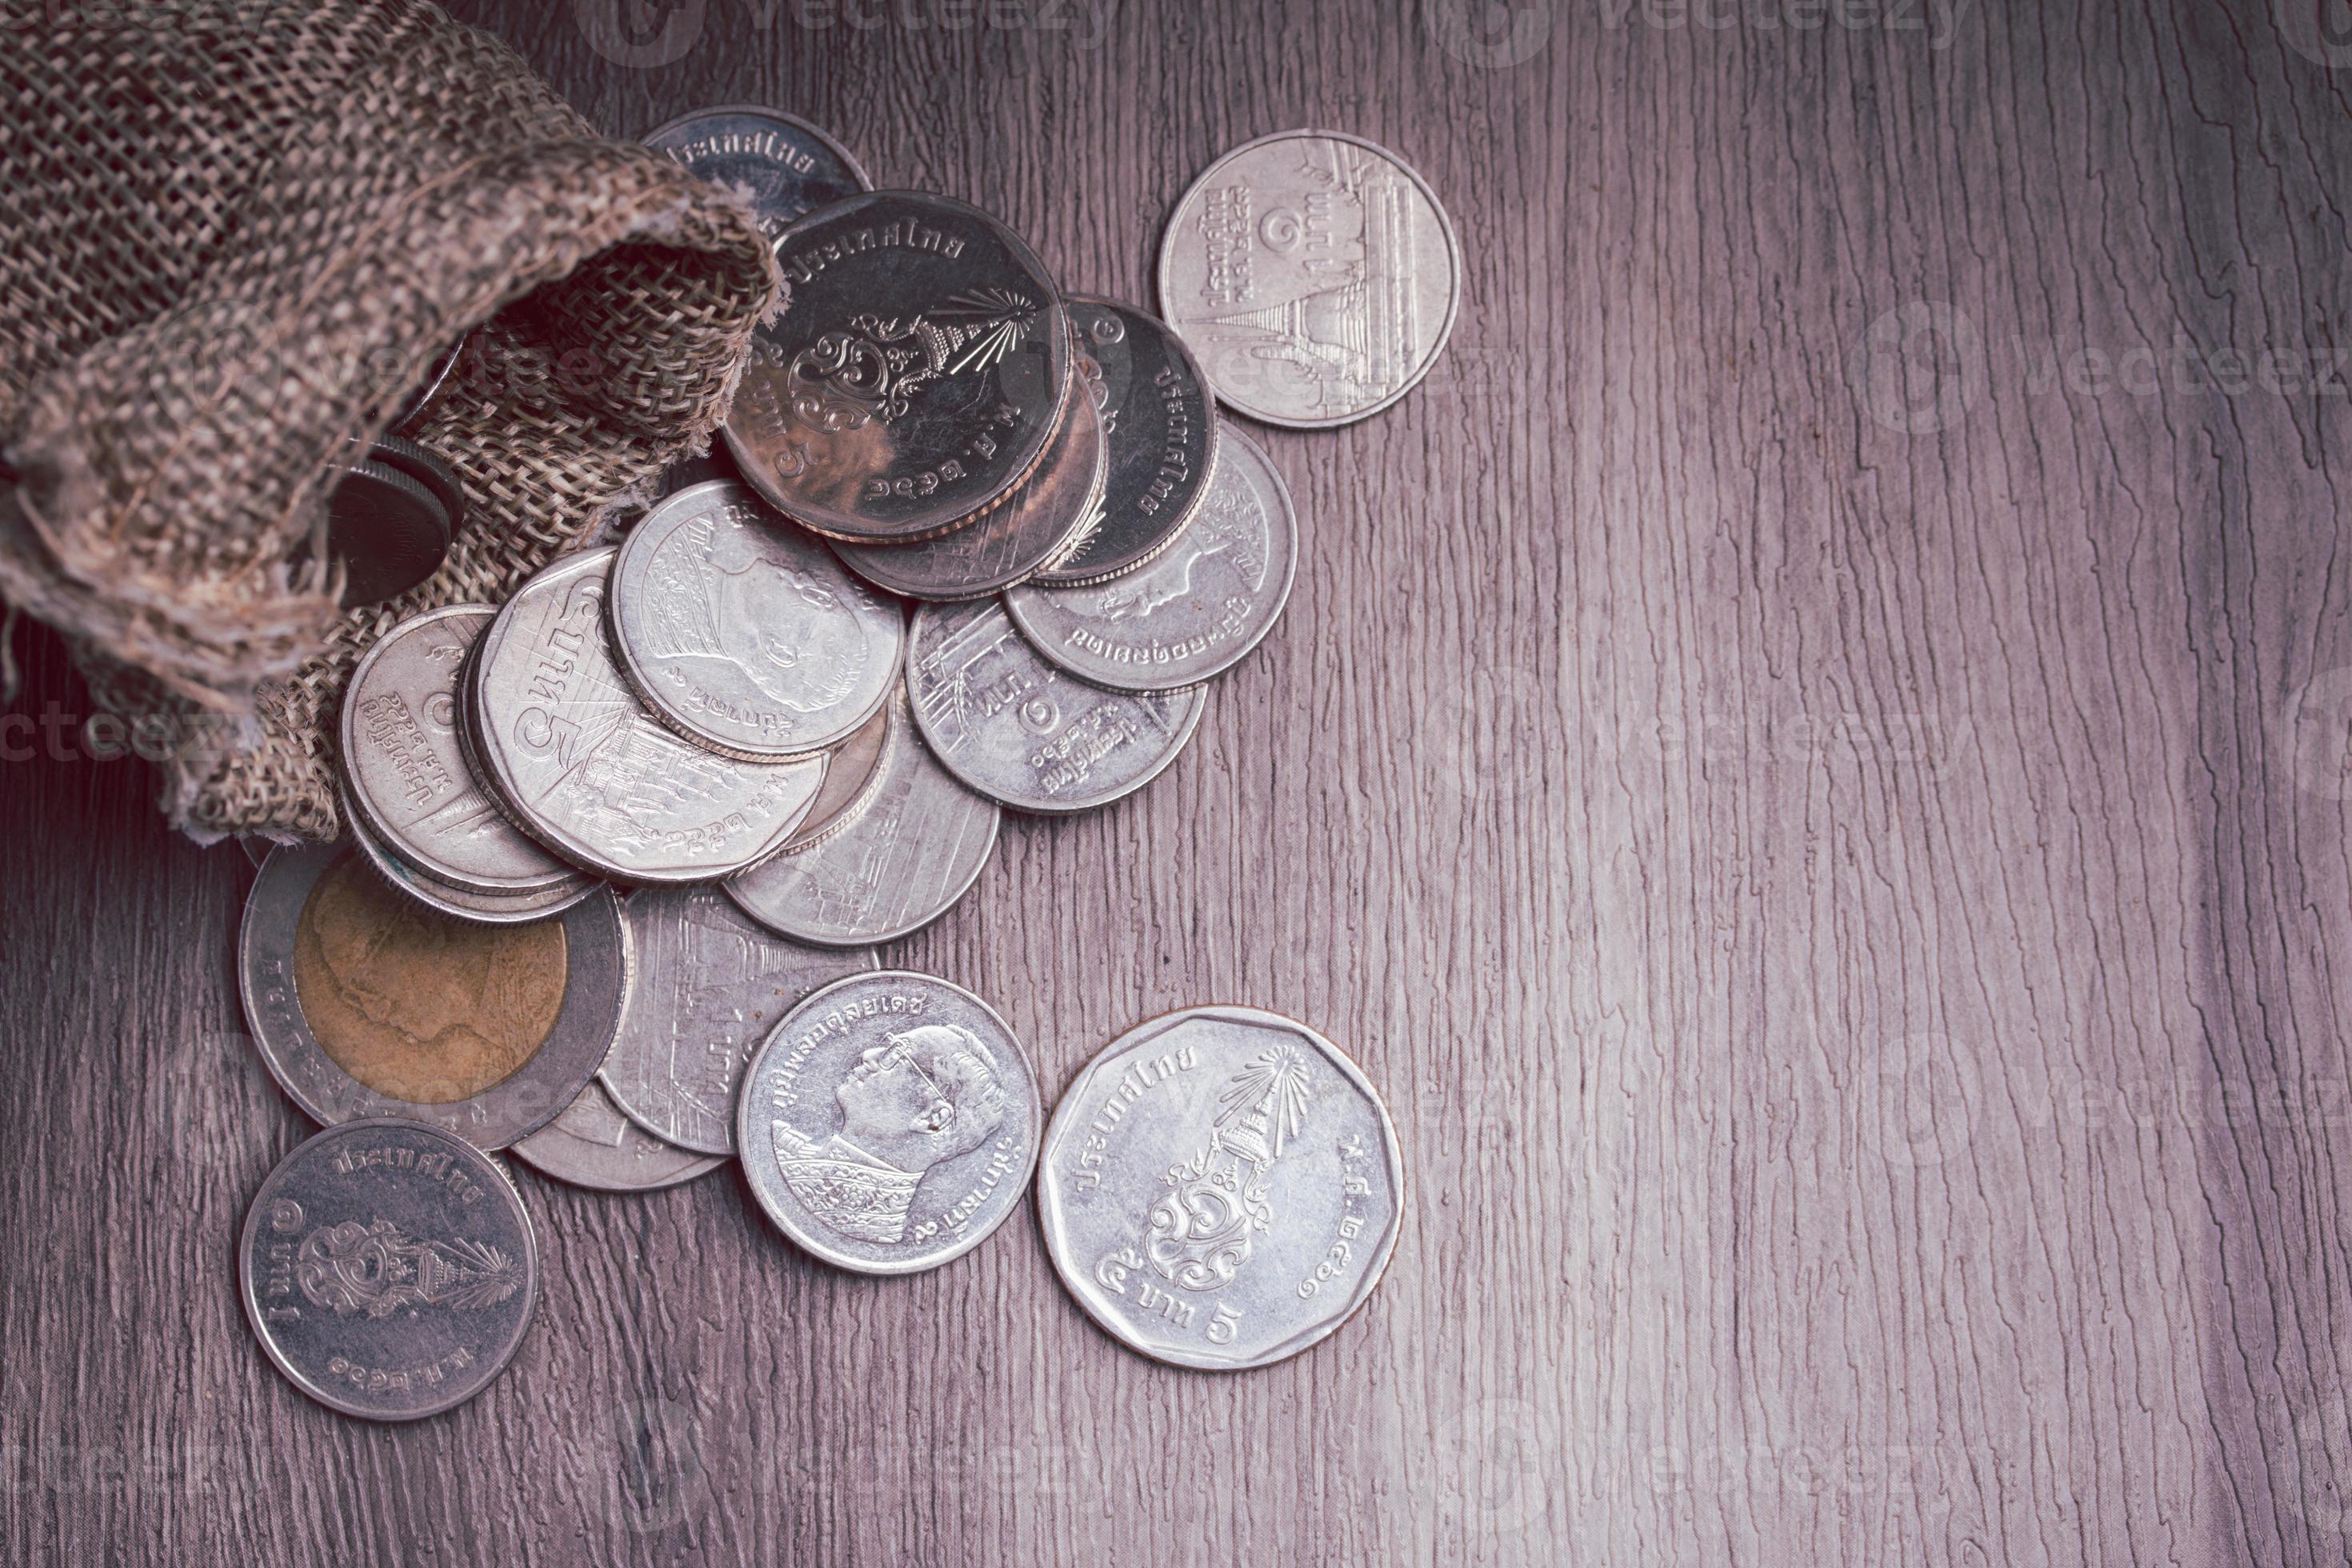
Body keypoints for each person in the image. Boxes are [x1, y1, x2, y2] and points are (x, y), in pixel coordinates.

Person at [771, 1022, 1009, 1246]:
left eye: (896, 1054)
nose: (869, 1055)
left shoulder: (858, 1223)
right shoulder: (789, 1155)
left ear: (932, 1118)